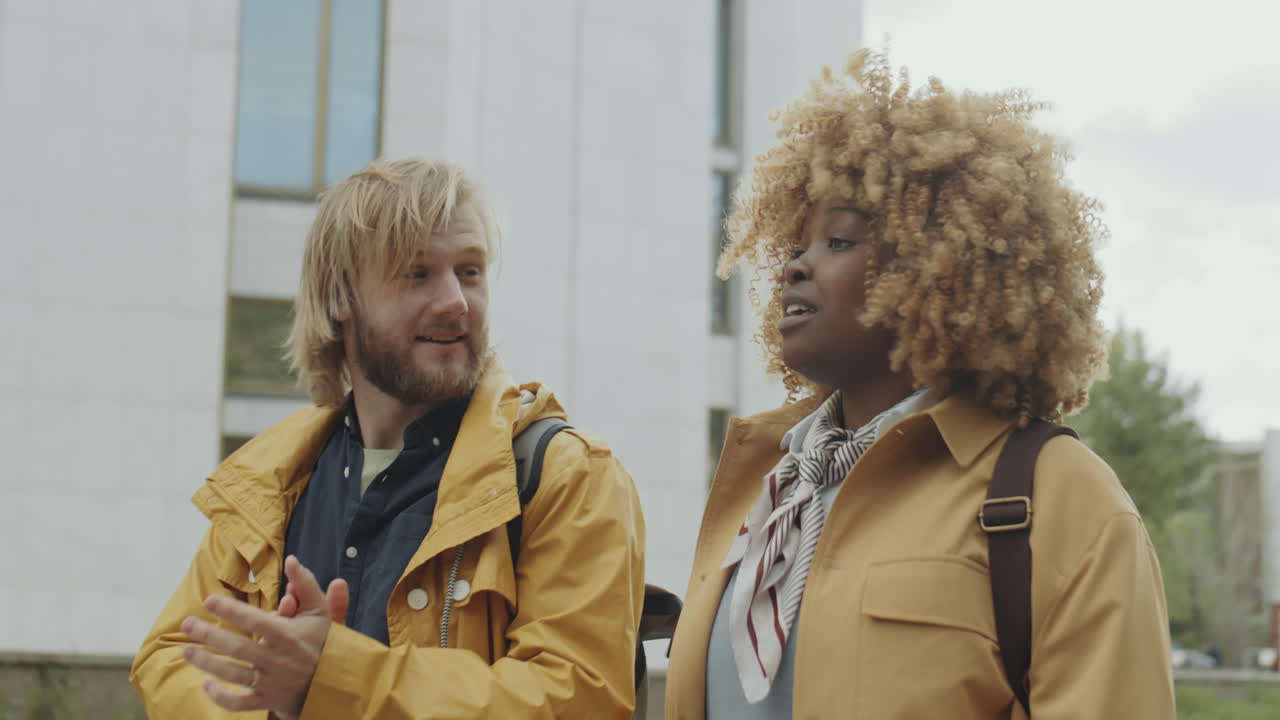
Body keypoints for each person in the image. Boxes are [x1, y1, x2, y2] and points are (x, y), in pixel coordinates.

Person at [664, 49, 1175, 719]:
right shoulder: (765, 491)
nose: (795, 266)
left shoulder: (1062, 499)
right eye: (797, 243)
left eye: (839, 241)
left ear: (938, 270)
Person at [130, 158, 646, 719]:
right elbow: (170, 657)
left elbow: (578, 699)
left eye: (469, 271)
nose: (455, 302)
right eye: (416, 273)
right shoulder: (270, 481)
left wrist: (330, 680)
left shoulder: (566, 475)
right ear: (340, 300)